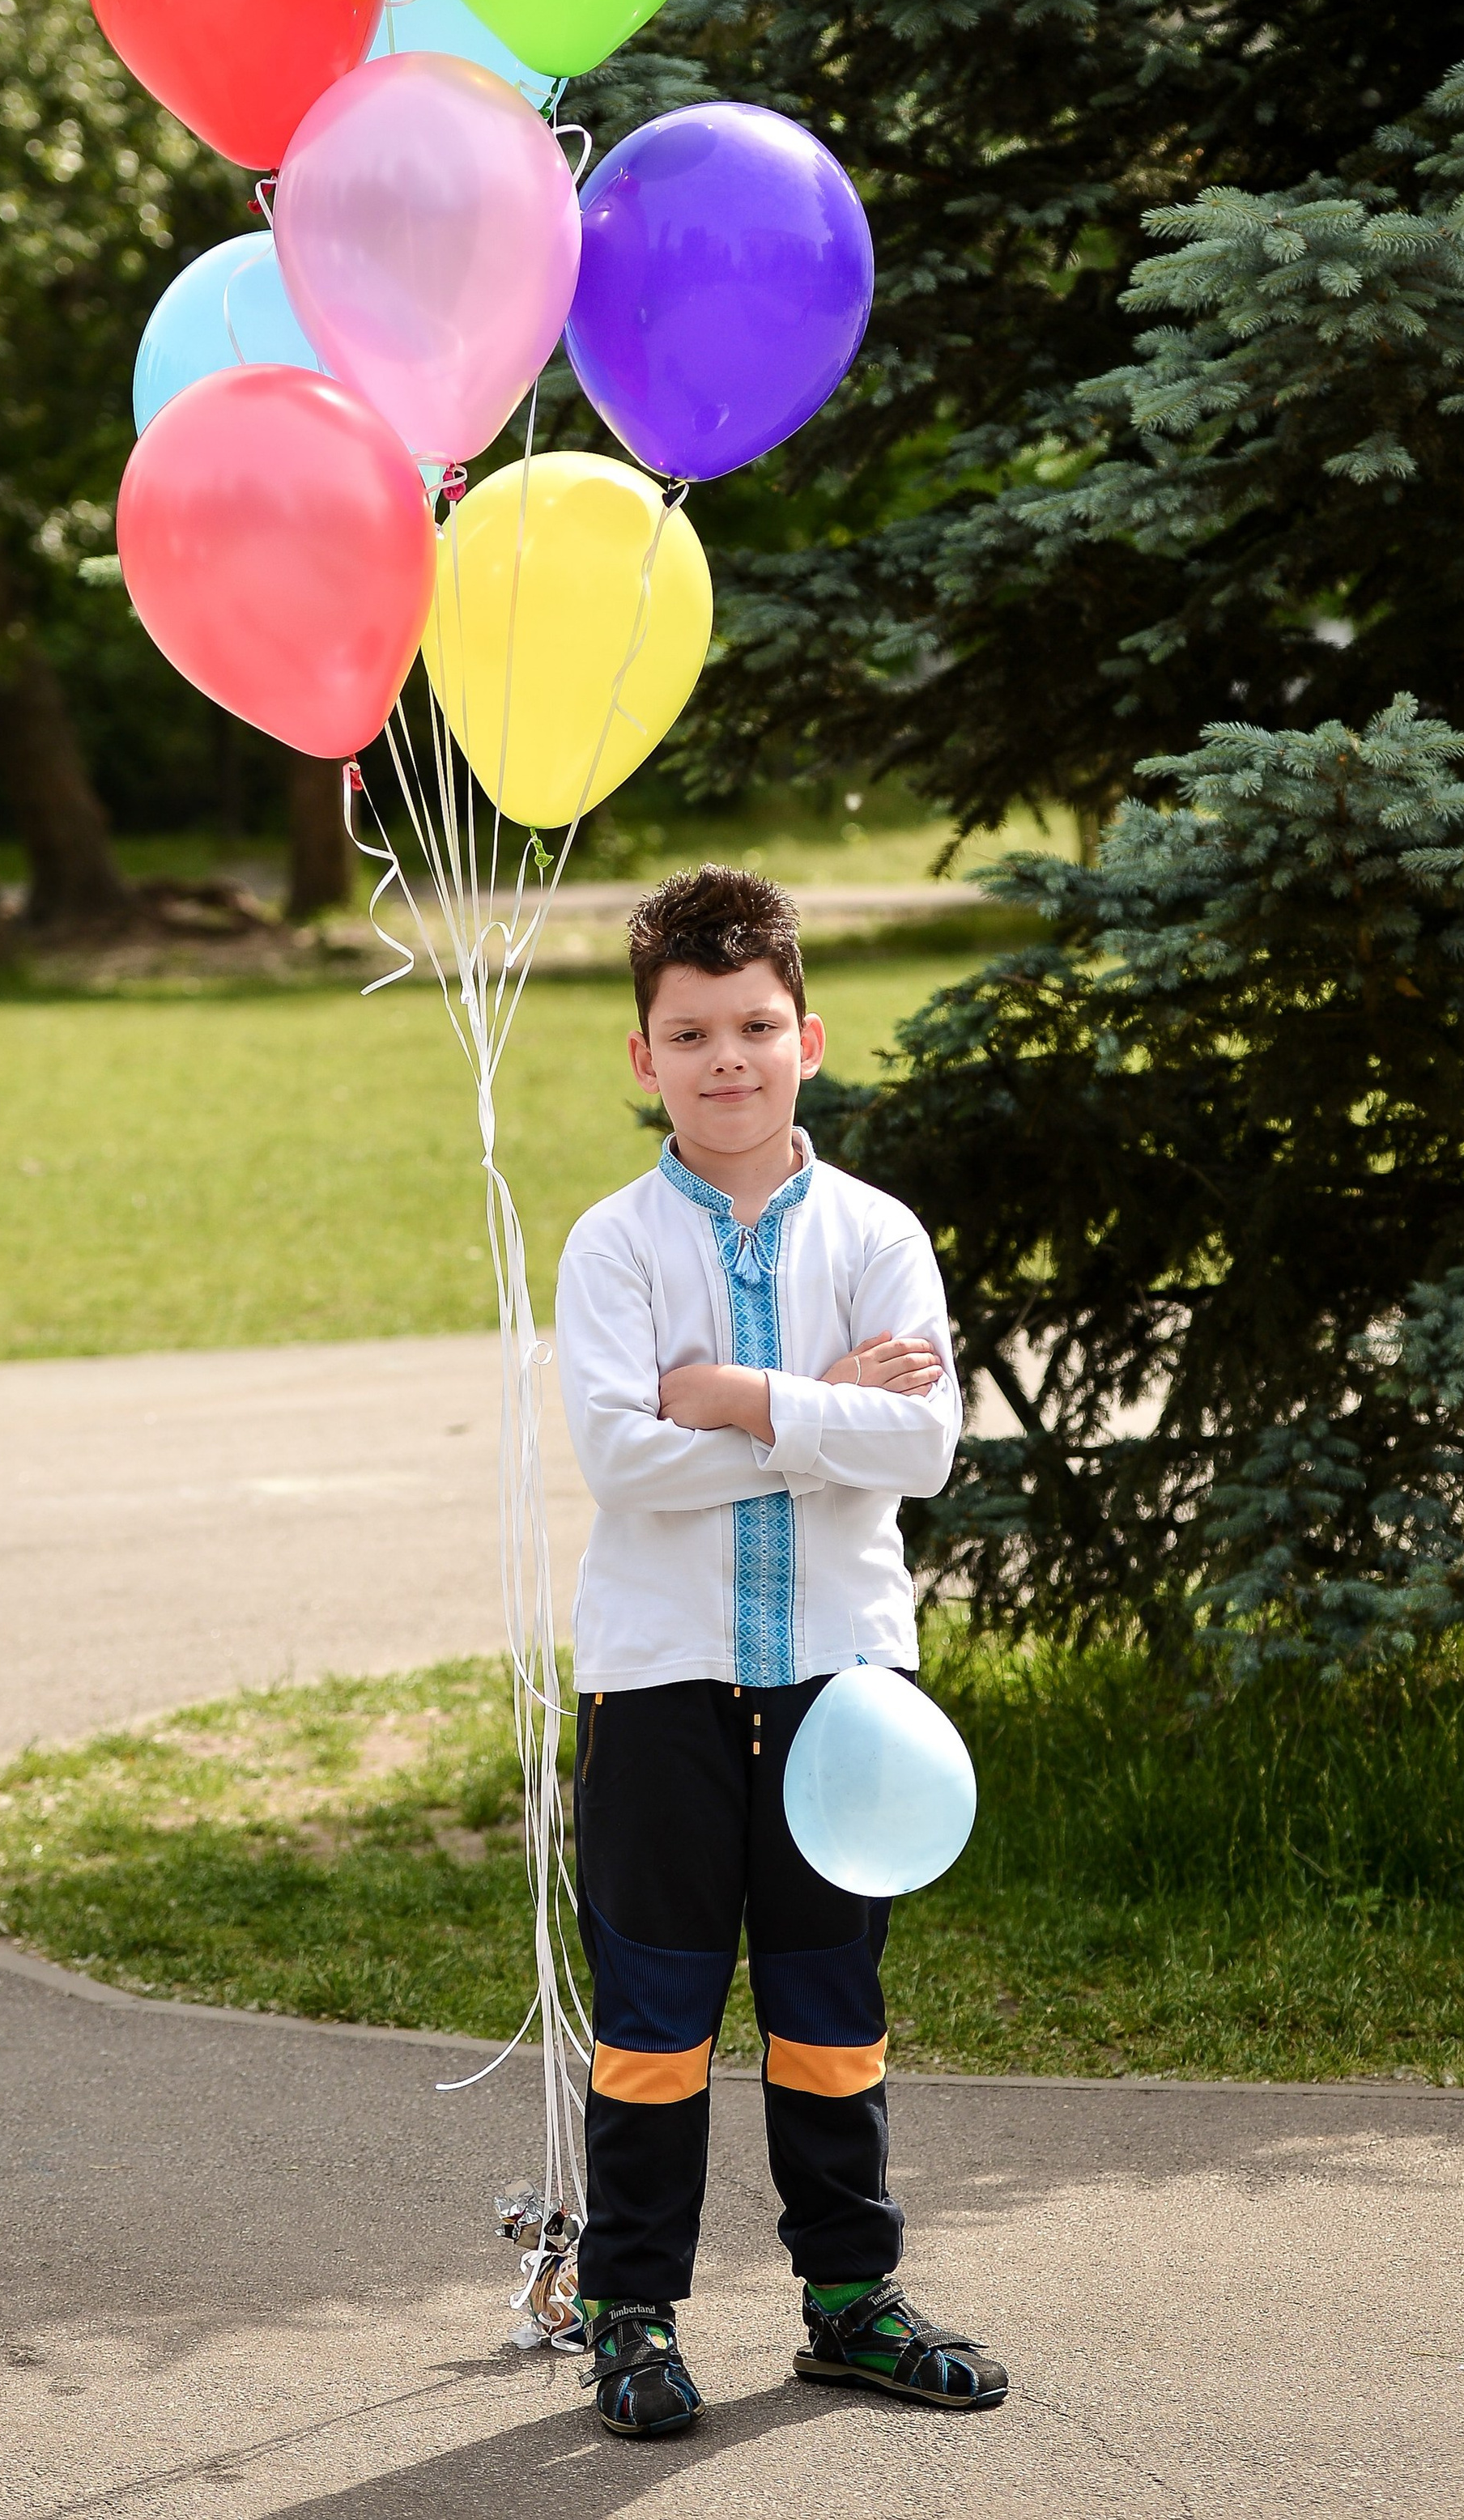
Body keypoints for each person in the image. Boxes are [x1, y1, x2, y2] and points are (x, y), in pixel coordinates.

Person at [554, 864, 1007, 2439]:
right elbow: (622, 1462)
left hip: (840, 1695)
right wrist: (827, 1412)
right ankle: (629, 2311)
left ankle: (847, 2306)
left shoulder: (878, 1234)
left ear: (805, 1033)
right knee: (655, 2019)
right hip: (661, 1689)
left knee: (828, 2008)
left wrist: (740, 1396)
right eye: (690, 1033)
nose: (725, 1059)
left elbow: (929, 1441)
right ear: (643, 1059)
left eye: (754, 1025)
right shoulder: (612, 1249)